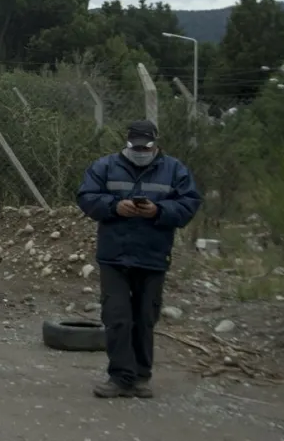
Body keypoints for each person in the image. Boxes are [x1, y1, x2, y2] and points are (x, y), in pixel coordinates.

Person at [77, 119, 202, 399]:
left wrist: (158, 211)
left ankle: (141, 376)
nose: (140, 150)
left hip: (153, 255)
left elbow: (189, 204)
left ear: (155, 143)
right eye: (136, 145)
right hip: (115, 256)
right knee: (118, 317)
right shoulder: (105, 166)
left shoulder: (175, 170)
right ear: (128, 141)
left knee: (145, 317)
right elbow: (86, 197)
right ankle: (121, 377)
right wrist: (114, 206)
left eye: (146, 146)